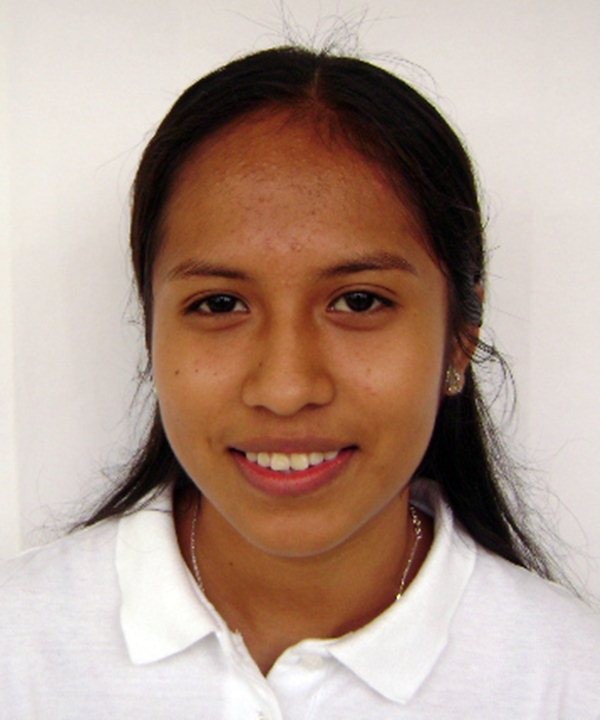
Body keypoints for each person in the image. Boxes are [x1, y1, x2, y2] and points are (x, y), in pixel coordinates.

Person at [1, 46, 599, 719]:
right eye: (220, 304)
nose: (286, 389)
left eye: (360, 301)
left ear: (461, 333)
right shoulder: (18, 649)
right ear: (151, 328)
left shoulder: (570, 680)